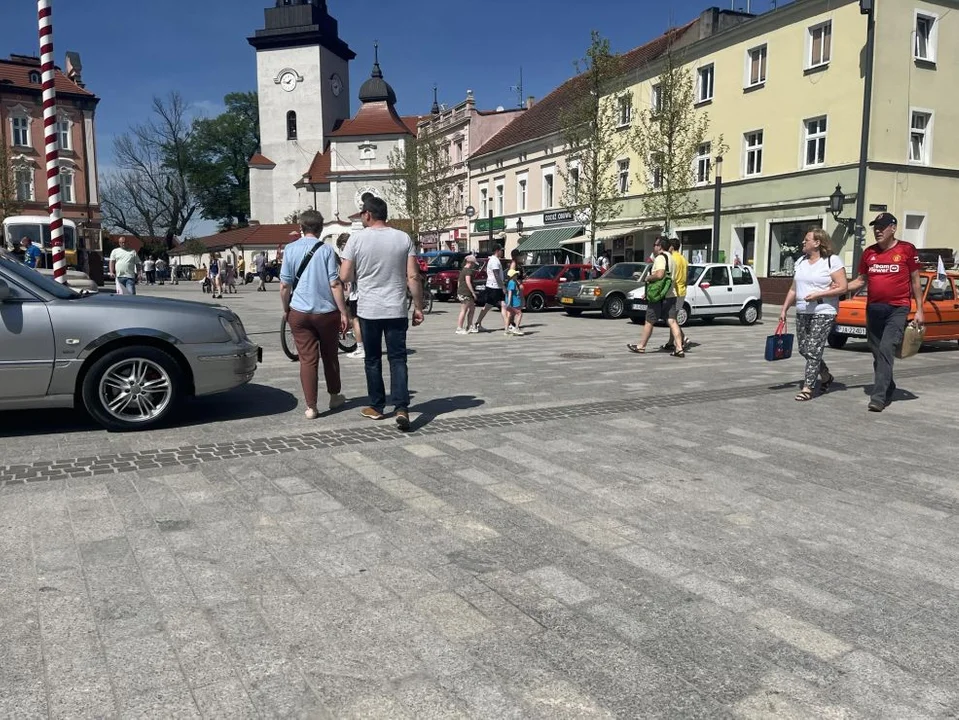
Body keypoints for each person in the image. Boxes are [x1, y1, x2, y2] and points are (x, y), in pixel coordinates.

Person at [339, 195, 423, 430]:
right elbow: (413, 276)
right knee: (398, 359)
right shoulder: (403, 238)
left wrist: (356, 273)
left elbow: (344, 276)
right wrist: (418, 306)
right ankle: (402, 407)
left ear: (367, 214)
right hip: (396, 308)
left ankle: (376, 406)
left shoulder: (356, 240)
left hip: (369, 309)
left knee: (373, 358)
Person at [846, 213, 924, 412]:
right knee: (877, 352)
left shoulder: (906, 250)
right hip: (873, 309)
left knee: (886, 349)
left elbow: (916, 281)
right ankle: (889, 386)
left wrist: (919, 310)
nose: (878, 231)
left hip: (897, 309)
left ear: (893, 228)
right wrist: (838, 288)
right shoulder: (869, 253)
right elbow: (860, 281)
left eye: (882, 227)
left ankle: (878, 397)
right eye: (875, 227)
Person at [280, 210, 348, 420]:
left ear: (301, 228)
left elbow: (284, 285)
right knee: (330, 355)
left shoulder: (290, 249)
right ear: (320, 230)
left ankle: (311, 407)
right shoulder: (327, 250)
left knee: (307, 359)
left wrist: (286, 309)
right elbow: (335, 283)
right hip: (326, 312)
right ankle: (334, 395)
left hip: (299, 311)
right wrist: (343, 312)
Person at [778, 228, 848, 401]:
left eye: (806, 240)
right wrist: (784, 308)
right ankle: (826, 377)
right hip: (803, 310)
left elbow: (843, 287)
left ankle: (808, 387)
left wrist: (819, 294)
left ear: (817, 243)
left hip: (823, 311)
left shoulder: (832, 261)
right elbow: (794, 288)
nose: (803, 242)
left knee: (814, 349)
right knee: (804, 349)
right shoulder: (801, 261)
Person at [627, 237, 684, 356]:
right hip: (670, 295)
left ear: (660, 246)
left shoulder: (660, 258)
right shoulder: (672, 259)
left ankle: (641, 346)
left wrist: (648, 278)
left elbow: (660, 274)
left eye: (655, 245)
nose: (654, 247)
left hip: (659, 297)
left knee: (649, 321)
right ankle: (679, 348)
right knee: (672, 321)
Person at [661, 237, 691, 352]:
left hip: (675, 291)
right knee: (673, 318)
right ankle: (670, 342)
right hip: (683, 290)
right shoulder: (683, 259)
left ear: (671, 247)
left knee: (671, 318)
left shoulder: (672, 258)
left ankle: (684, 338)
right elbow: (687, 276)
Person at [473, 246, 509, 333]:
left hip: (496, 287)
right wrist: (503, 287)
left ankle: (507, 326)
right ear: (497, 251)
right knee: (488, 306)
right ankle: (477, 323)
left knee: (502, 305)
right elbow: (496, 275)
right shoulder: (494, 261)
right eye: (501, 251)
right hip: (494, 287)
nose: (502, 252)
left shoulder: (495, 260)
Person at [455, 255, 479, 335]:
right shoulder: (468, 271)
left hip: (462, 292)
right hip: (466, 293)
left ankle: (469, 326)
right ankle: (459, 328)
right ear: (470, 263)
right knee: (464, 310)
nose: (474, 265)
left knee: (472, 308)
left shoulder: (463, 270)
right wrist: (473, 292)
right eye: (473, 263)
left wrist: (458, 291)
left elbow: (458, 282)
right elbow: (468, 282)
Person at [505, 268, 526, 336]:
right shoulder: (512, 282)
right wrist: (509, 302)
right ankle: (516, 328)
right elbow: (510, 292)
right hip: (514, 302)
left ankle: (507, 329)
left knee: (510, 315)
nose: (516, 275)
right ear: (512, 276)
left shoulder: (512, 282)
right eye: (515, 274)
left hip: (512, 302)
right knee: (519, 314)